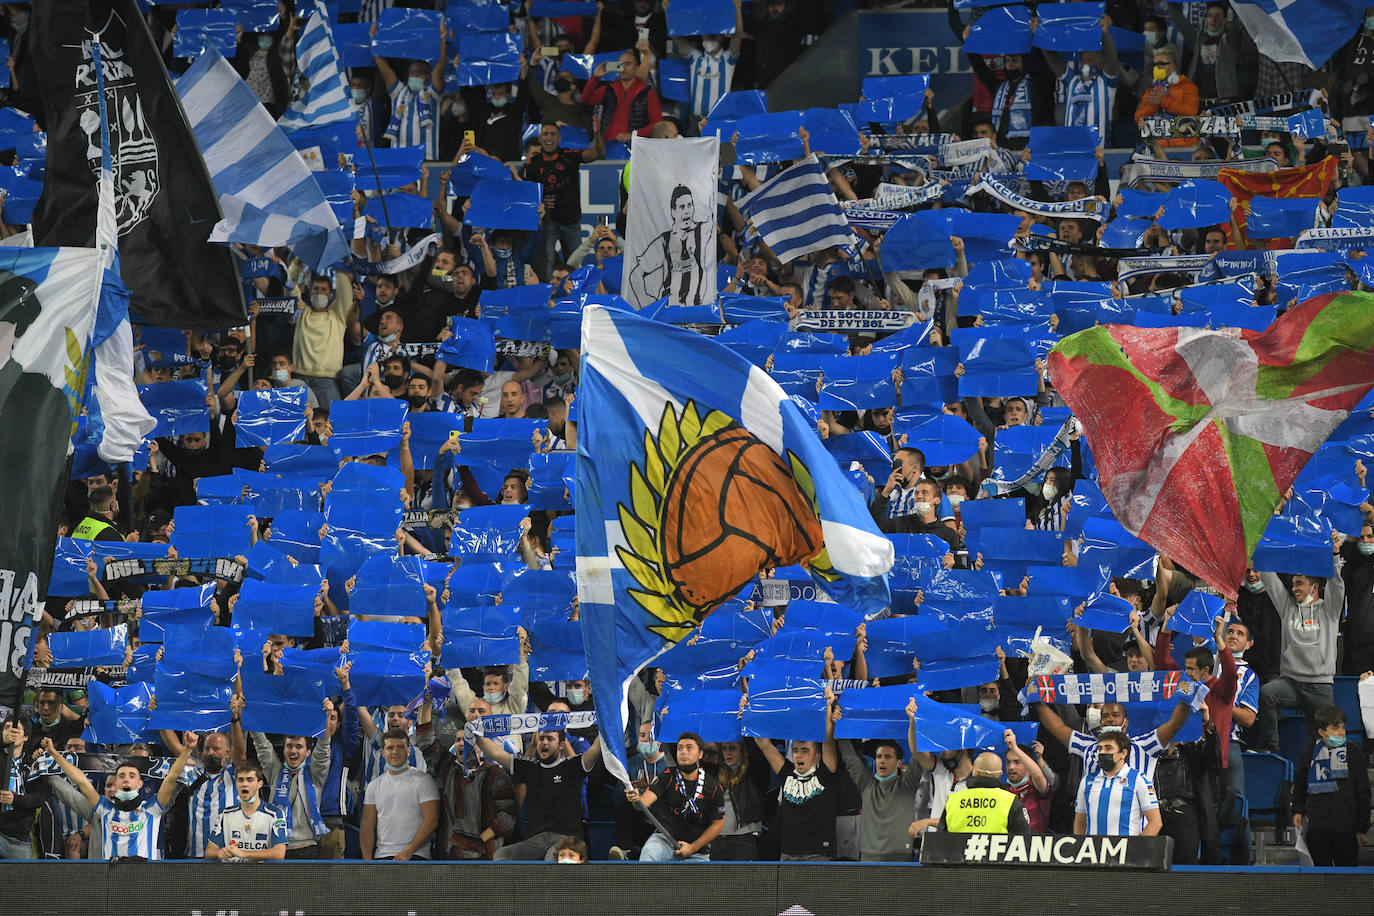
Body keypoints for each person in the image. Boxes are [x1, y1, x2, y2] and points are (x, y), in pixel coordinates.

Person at [40, 732, 198, 860]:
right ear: (116, 784)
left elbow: (171, 778)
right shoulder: (104, 809)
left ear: (140, 784)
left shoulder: (151, 810)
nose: (126, 778)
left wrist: (187, 750)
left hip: (143, 883)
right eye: (121, 776)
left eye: (132, 776)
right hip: (111, 885)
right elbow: (81, 780)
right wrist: (54, 753)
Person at [1257, 534, 1346, 751]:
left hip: (1320, 687)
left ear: (1314, 588)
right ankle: (1271, 748)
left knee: (1327, 741)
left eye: (1299, 584)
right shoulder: (1287, 608)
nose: (1294, 588)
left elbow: (1336, 585)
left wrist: (1335, 554)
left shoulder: (1329, 611)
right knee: (1267, 693)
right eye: (1293, 583)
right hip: (1292, 684)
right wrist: (1261, 544)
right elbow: (1269, 578)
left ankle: (1332, 775)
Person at [476, 726, 603, 861]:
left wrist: (607, 722)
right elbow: (496, 753)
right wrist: (475, 731)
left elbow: (595, 749)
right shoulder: (529, 767)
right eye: (541, 738)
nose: (545, 742)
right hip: (535, 840)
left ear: (561, 745)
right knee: (502, 855)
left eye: (550, 739)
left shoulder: (572, 766)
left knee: (551, 857)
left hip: (565, 838)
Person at [415, 696, 518, 860]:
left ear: (480, 745)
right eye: (458, 740)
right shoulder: (448, 768)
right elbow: (426, 741)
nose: (462, 743)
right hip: (451, 851)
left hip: (486, 854)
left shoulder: (496, 774)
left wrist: (482, 838)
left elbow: (508, 816)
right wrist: (426, 702)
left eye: (467, 739)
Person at [752, 689, 842, 860]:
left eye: (805, 751)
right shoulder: (787, 773)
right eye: (795, 751)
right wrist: (752, 709)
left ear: (817, 756)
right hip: (788, 854)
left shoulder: (825, 773)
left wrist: (828, 706)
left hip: (818, 855)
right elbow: (763, 744)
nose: (798, 755)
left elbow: (828, 741)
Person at [837, 698, 926, 860]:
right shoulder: (867, 785)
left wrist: (914, 720)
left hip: (900, 861)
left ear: (899, 762)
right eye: (878, 757)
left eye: (887, 756)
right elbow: (850, 758)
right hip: (868, 861)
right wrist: (839, 724)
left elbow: (919, 752)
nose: (881, 760)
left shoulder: (908, 784)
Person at [247, 705, 333, 859]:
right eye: (289, 746)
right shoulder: (275, 771)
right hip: (278, 848)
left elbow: (324, 747)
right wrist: (250, 710)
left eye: (299, 747)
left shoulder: (315, 774)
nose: (293, 751)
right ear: (284, 750)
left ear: (308, 752)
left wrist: (325, 717)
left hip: (309, 848)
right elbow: (261, 744)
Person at [622, 732, 725, 861]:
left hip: (697, 850)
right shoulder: (666, 777)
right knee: (648, 852)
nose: (683, 752)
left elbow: (718, 824)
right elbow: (641, 804)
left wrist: (692, 848)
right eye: (680, 748)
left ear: (700, 754)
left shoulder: (713, 786)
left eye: (689, 748)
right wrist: (636, 800)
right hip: (664, 840)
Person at [1291, 705, 1371, 867]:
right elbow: (1300, 784)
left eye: (1343, 727)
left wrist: (1362, 828)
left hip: (1347, 828)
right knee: (1322, 879)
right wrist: (1298, 810)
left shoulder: (1354, 754)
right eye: (1335, 728)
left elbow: (1363, 793)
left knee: (1347, 880)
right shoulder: (1309, 753)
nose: (1342, 732)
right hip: (1318, 827)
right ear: (1322, 732)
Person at [361, 728, 440, 861]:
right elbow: (367, 825)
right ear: (382, 752)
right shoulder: (374, 786)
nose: (395, 752)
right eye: (390, 748)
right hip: (383, 857)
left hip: (416, 857)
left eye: (400, 747)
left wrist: (408, 852)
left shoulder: (424, 781)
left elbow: (431, 821)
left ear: (409, 751)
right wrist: (367, 860)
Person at [627, 184, 712, 306]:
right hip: (669, 314)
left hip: (698, 314)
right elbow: (635, 275)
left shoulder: (703, 231)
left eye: (689, 205)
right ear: (673, 212)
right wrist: (647, 303)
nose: (687, 211)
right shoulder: (664, 240)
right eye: (682, 207)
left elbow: (712, 204)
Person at [1073, 730, 1163, 838]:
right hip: (1093, 852)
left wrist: (1136, 850)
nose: (1102, 752)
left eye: (1108, 748)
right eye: (1100, 748)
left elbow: (1155, 822)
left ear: (1123, 753)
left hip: (1126, 852)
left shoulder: (1138, 779)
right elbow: (1079, 822)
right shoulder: (1087, 781)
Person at [204, 763, 288, 862]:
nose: (244, 784)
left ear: (259, 784)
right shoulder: (225, 814)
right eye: (240, 780)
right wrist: (221, 852)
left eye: (250, 780)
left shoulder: (275, 814)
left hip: (263, 875)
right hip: (231, 875)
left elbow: (279, 853)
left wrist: (244, 854)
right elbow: (209, 852)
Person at [938, 750, 1031, 836]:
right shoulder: (1010, 801)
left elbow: (940, 840)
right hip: (997, 853)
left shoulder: (953, 801)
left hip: (957, 853)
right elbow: (1024, 841)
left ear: (975, 772)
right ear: (1000, 774)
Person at [0, 720, 49, 859]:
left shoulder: (32, 763)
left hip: (19, 837)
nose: (12, 731)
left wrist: (15, 799)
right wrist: (2, 741)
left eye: (17, 729)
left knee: (23, 880)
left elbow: (40, 798)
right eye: (7, 728)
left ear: (26, 737)